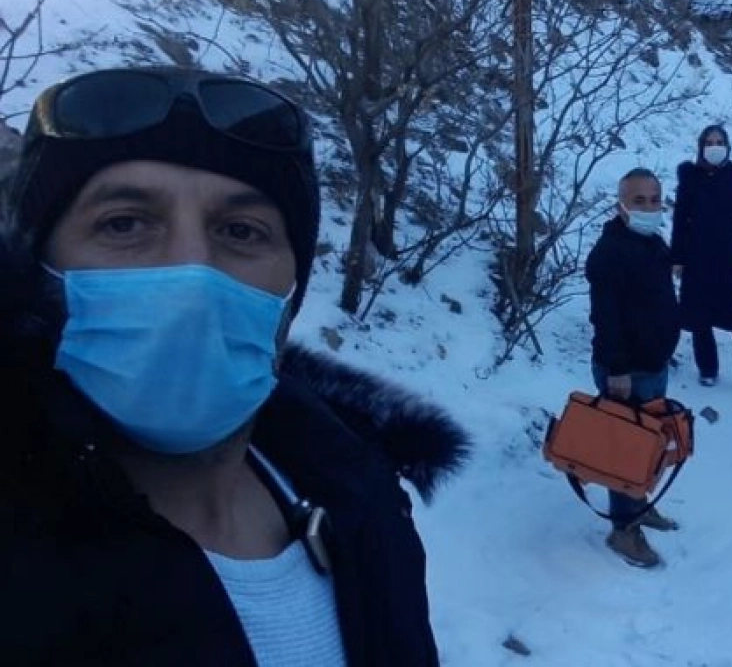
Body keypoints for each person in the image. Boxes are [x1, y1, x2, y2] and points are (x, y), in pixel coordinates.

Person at [0, 66, 469, 665]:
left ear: (290, 294)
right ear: (38, 269)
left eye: (241, 231)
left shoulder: (363, 499)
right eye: (123, 223)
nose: (193, 272)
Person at [584, 167, 682, 569]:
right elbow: (605, 318)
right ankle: (624, 529)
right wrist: (617, 369)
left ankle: (638, 504)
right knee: (625, 452)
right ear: (621, 204)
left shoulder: (652, 242)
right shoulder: (610, 252)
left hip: (653, 365)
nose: (648, 207)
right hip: (625, 372)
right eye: (639, 200)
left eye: (654, 199)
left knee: (648, 445)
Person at [671, 125, 732, 401]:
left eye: (719, 142)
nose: (714, 146)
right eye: (709, 142)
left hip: (731, 258)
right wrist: (677, 258)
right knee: (700, 317)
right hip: (697, 257)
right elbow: (680, 219)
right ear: (701, 147)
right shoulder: (690, 177)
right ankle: (708, 368)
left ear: (727, 146)